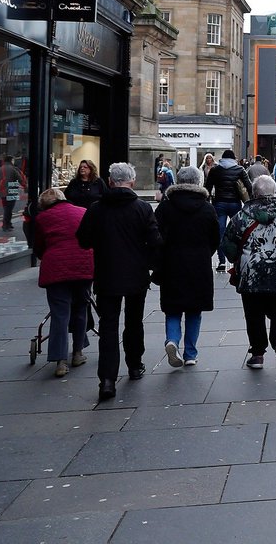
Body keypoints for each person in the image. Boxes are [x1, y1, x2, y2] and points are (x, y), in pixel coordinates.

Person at [76, 163, 162, 401]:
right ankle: (134, 365)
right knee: (134, 321)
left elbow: (83, 240)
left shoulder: (96, 209)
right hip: (136, 275)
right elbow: (155, 241)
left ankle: (107, 379)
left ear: (111, 182)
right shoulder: (142, 209)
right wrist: (152, 266)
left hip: (106, 274)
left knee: (108, 326)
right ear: (132, 182)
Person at [222, 175, 276, 372]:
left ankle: (257, 355)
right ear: (274, 192)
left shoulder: (242, 217)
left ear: (254, 193)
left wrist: (237, 259)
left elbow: (228, 246)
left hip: (251, 276)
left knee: (254, 315)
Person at [155, 167, 219, 369]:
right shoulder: (207, 208)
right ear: (198, 182)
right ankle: (190, 353)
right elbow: (215, 238)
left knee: (172, 309)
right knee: (194, 310)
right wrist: (204, 253)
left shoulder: (165, 208)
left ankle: (172, 340)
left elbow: (156, 236)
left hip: (171, 264)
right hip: (198, 265)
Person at [32, 188, 93, 378]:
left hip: (56, 268)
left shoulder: (42, 219)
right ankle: (77, 353)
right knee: (81, 308)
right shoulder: (83, 212)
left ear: (44, 206)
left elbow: (39, 247)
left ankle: (60, 361)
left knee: (60, 313)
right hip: (83, 266)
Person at [205, 149, 253, 273]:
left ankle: (221, 261)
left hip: (219, 203)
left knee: (220, 232)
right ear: (233, 158)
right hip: (235, 203)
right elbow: (249, 186)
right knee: (237, 232)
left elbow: (207, 187)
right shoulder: (239, 169)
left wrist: (205, 202)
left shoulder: (215, 170)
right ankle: (236, 260)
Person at [0, 155, 26, 230]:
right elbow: (20, 179)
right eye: (13, 160)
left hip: (2, 192)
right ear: (11, 161)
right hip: (11, 192)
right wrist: (26, 187)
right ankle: (6, 225)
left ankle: (8, 223)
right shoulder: (13, 169)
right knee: (8, 209)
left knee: (7, 208)